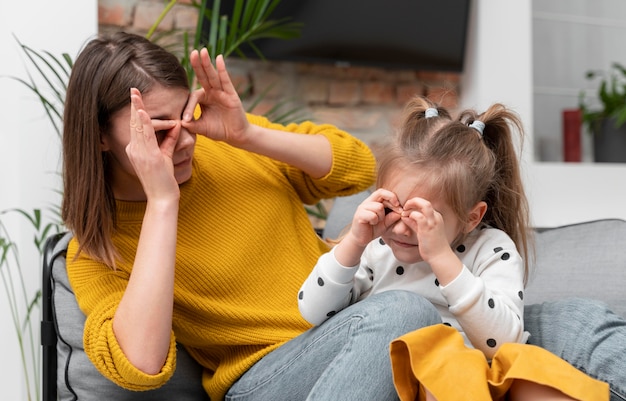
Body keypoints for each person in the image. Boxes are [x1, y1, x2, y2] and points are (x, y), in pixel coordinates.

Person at [61, 31, 446, 401]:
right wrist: (162, 202)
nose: (185, 140)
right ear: (100, 137)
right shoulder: (95, 249)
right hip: (264, 377)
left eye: (186, 116)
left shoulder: (225, 144)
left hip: (346, 322)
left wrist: (246, 134)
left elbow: (359, 168)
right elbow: (140, 366)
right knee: (406, 311)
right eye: (159, 130)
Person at [297, 96, 609, 400]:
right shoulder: (374, 247)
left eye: (425, 218)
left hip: (484, 372)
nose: (403, 227)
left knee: (537, 369)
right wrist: (354, 241)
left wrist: (441, 258)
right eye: (395, 207)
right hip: (413, 379)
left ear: (472, 218)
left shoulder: (491, 248)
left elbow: (503, 343)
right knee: (447, 363)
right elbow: (311, 313)